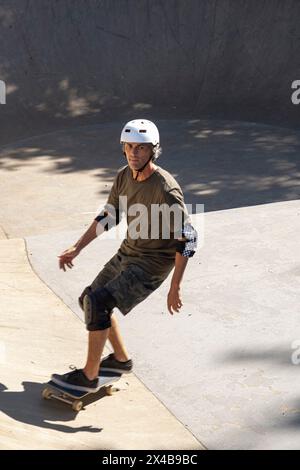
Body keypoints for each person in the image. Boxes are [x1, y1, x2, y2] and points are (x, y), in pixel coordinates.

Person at [51, 119, 197, 392]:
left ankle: (89, 376)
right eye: (129, 147)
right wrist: (77, 247)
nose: (133, 153)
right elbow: (109, 217)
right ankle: (119, 360)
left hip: (152, 264)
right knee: (88, 300)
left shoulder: (165, 189)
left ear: (153, 150)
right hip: (128, 252)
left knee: (98, 303)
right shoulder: (123, 176)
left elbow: (189, 238)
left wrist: (175, 286)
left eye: (141, 148)